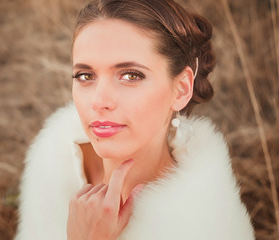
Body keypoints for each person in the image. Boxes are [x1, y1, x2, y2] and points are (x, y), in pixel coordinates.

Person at [15, 0, 255, 239]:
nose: (99, 101)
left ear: (181, 89)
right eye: (85, 75)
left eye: (131, 75)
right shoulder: (55, 160)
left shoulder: (210, 227)